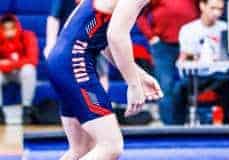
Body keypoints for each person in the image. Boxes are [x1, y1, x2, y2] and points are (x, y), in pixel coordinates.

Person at [46, 0, 163, 160]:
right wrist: (133, 85)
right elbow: (116, 36)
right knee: (111, 146)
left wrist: (138, 75)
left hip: (62, 61)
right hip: (74, 64)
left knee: (81, 150)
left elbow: (103, 38)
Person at [137, 0, 200, 124]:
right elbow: (139, 12)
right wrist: (150, 36)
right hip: (163, 46)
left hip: (191, 44)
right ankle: (168, 130)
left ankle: (187, 126)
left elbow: (204, 6)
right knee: (165, 86)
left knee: (189, 85)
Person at [174, 0, 229, 125]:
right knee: (178, 90)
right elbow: (184, 58)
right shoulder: (188, 30)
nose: (217, 13)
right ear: (202, 6)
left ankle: (228, 127)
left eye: (220, 9)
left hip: (220, 76)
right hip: (196, 76)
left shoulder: (226, 28)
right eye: (213, 8)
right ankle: (177, 129)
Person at [0, 14, 38, 124]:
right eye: (5, 28)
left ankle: (27, 109)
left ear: (17, 26)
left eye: (12, 27)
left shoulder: (28, 36)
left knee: (29, 69)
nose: (9, 31)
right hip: (3, 74)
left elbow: (32, 60)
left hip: (20, 73)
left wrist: (9, 64)